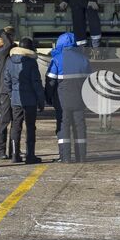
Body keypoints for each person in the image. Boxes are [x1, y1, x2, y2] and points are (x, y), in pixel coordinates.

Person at [47, 32, 91, 162]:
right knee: (80, 127)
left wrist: (48, 97)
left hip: (62, 101)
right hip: (80, 100)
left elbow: (50, 82)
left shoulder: (57, 59)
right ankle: (81, 157)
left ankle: (65, 157)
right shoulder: (83, 59)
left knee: (63, 127)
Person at [3, 37, 45, 164]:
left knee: (16, 127)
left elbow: (7, 81)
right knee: (30, 127)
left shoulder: (9, 61)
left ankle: (15, 155)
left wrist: (12, 95)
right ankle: (30, 156)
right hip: (30, 100)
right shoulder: (31, 62)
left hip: (16, 100)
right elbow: (36, 83)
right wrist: (41, 100)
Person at [0, 27, 16, 160]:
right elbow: (8, 45)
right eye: (10, 35)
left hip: (14, 90)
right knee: (4, 120)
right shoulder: (0, 52)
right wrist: (3, 33)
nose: (12, 38)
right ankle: (0, 150)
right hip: (6, 91)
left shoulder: (10, 51)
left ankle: (14, 149)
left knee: (16, 121)